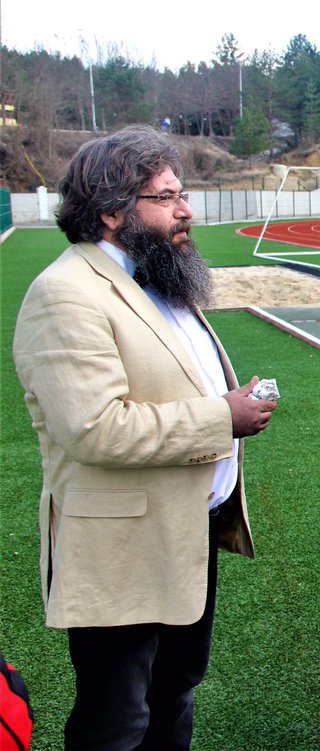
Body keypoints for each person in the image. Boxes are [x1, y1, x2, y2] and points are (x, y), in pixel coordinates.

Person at [11, 126, 278, 750]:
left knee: (173, 694)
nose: (186, 209)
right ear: (111, 212)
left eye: (181, 193)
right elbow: (94, 427)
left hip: (185, 533)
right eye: (166, 197)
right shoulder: (65, 293)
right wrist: (223, 418)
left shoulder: (157, 277)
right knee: (117, 721)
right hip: (120, 547)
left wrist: (228, 406)